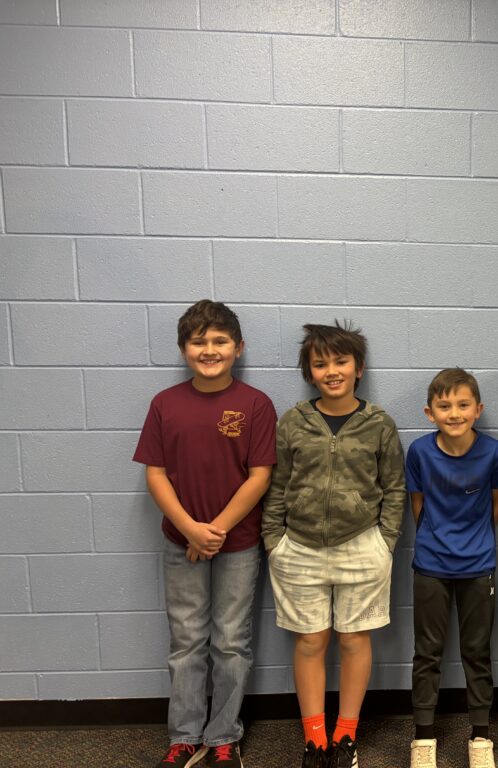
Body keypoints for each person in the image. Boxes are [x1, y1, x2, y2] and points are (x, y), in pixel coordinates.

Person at [133, 300, 277, 768]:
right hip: (182, 542)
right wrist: (190, 529)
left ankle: (223, 737)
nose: (209, 349)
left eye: (219, 341)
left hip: (236, 544)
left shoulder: (255, 405)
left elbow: (259, 476)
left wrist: (213, 531)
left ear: (238, 348)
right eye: (199, 341)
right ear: (183, 349)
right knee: (187, 640)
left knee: (231, 641)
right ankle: (184, 736)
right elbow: (156, 474)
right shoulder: (165, 404)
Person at [263, 321, 405, 768]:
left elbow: (395, 488)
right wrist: (274, 540)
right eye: (320, 363)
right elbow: (278, 483)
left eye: (341, 361)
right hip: (299, 548)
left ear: (358, 368)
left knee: (354, 638)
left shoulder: (378, 423)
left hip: (362, 545)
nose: (331, 371)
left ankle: (346, 736)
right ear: (309, 371)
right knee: (310, 640)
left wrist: (385, 542)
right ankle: (315, 739)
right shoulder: (294, 421)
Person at [406, 368, 498, 768]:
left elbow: (496, 506)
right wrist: (439, 541)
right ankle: (423, 737)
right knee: (427, 653)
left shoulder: (495, 454)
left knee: (476, 651)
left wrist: (472, 543)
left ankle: (481, 735)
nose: (454, 413)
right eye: (444, 405)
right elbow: (418, 507)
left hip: (478, 565)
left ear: (478, 409)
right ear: (429, 412)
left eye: (463, 404)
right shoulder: (418, 452)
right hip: (430, 565)